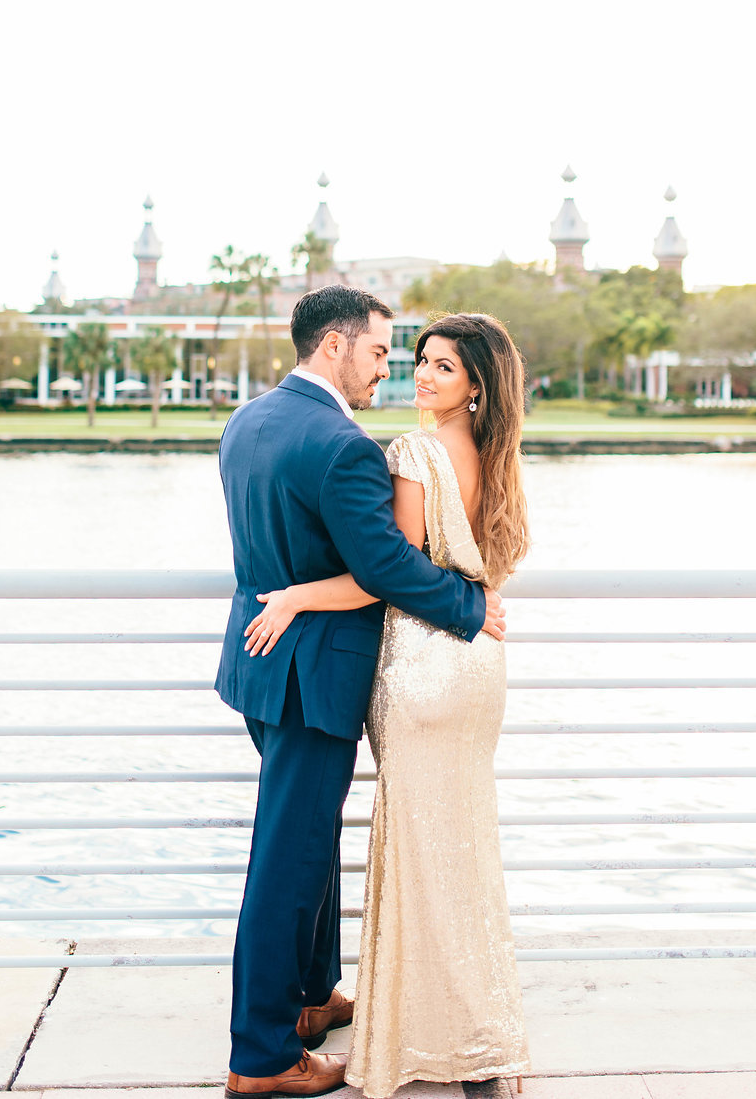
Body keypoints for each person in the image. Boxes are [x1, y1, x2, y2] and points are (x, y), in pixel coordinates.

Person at [216, 287, 506, 1099]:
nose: (389, 368)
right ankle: (263, 1056)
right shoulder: (342, 445)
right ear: (337, 345)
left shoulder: (250, 419)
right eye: (381, 352)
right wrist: (470, 606)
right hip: (315, 671)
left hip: (259, 664)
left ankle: (312, 1001)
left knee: (305, 842)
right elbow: (384, 565)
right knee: (291, 859)